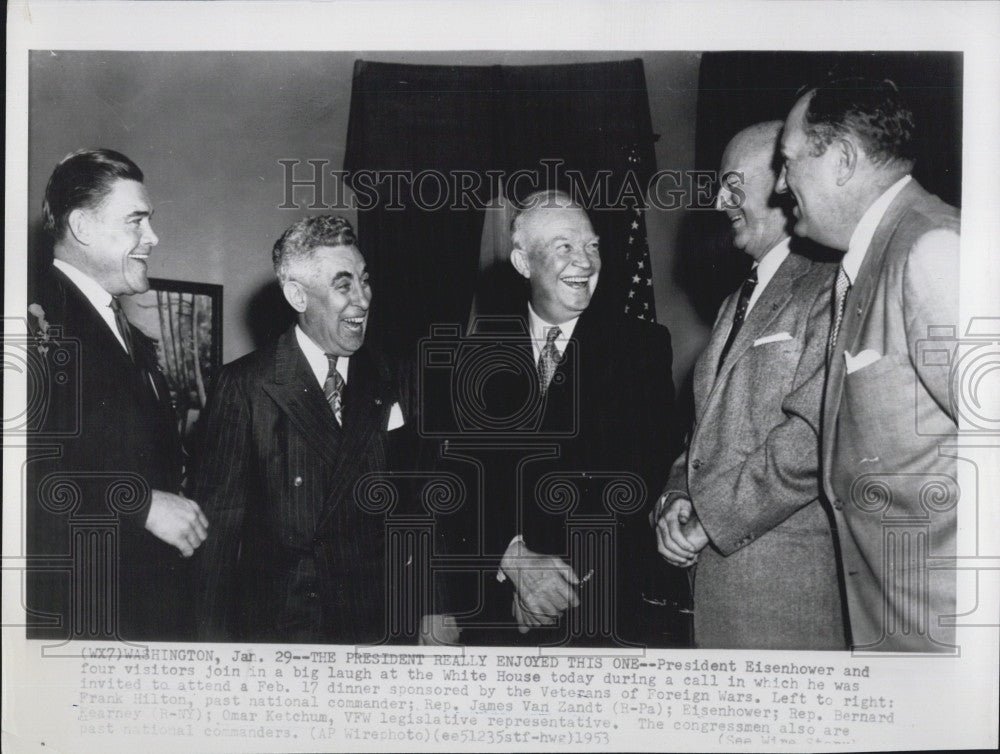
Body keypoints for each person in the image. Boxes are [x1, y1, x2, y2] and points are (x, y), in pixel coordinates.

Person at [192, 215, 453, 644]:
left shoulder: (397, 375)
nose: (363, 299)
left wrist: (435, 604)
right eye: (343, 284)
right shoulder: (244, 386)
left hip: (382, 622)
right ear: (298, 294)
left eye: (365, 281)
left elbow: (423, 502)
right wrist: (210, 651)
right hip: (286, 627)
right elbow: (217, 538)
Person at [442, 190, 686, 646]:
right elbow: (457, 482)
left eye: (592, 246)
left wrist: (548, 590)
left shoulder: (641, 347)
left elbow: (639, 479)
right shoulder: (475, 355)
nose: (586, 262)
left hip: (597, 610)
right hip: (496, 613)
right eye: (565, 247)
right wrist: (513, 561)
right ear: (522, 262)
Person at [777, 78, 960, 651]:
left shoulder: (933, 251)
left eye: (787, 163)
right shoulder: (867, 262)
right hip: (891, 635)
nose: (780, 185)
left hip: (947, 639)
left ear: (843, 161)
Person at [654, 122, 845, 649]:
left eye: (733, 185)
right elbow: (703, 431)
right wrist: (676, 496)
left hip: (784, 601)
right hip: (716, 597)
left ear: (783, 181)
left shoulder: (832, 287)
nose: (719, 201)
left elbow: (811, 438)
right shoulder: (735, 298)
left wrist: (709, 520)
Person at [26, 148, 208, 641]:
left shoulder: (111, 321)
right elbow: (22, 479)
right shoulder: (34, 324)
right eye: (136, 221)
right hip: (82, 615)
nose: (153, 237)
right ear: (83, 226)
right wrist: (141, 506)